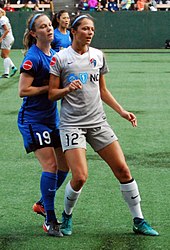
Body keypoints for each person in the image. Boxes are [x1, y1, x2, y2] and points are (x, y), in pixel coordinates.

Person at [49, 14, 159, 237]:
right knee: (79, 177)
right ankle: (67, 216)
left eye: (92, 29)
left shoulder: (98, 56)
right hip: (72, 125)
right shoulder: (60, 58)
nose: (90, 33)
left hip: (98, 122)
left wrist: (122, 112)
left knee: (123, 170)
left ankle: (139, 220)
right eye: (85, 29)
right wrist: (67, 89)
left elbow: (102, 91)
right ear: (74, 31)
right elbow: (52, 94)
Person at [17, 13, 69, 237]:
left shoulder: (56, 54)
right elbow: (23, 90)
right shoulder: (33, 57)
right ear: (33, 33)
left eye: (49, 25)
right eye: (42, 27)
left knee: (65, 167)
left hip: (52, 119)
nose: (48, 29)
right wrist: (48, 89)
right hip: (33, 120)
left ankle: (41, 203)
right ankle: (50, 218)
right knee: (51, 166)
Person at [0, 8, 17, 78]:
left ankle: (6, 73)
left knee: (5, 55)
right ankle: (13, 67)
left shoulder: (2, 20)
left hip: (7, 38)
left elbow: (6, 30)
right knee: (3, 55)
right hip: (10, 38)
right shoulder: (4, 18)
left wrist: (1, 38)